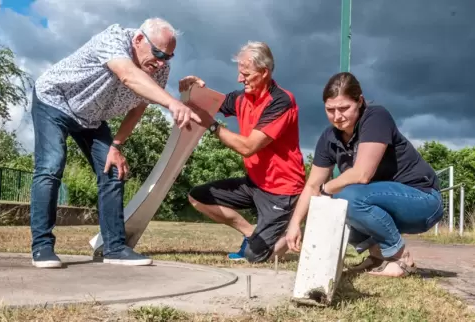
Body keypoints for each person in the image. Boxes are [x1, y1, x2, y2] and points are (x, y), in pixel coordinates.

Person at [30, 18, 201, 268]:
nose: (162, 62)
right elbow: (128, 76)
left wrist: (116, 146)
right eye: (158, 53)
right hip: (54, 102)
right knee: (51, 165)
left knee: (113, 171)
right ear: (139, 40)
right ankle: (42, 247)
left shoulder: (159, 68)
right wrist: (173, 103)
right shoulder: (112, 39)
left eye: (168, 57)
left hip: (92, 118)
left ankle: (115, 248)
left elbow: (139, 108)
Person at [285, 72, 443, 277]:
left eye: (344, 108)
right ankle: (377, 255)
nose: (337, 116)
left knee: (345, 196)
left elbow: (362, 174)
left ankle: (401, 258)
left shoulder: (376, 117)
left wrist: (327, 190)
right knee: (335, 203)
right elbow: (312, 186)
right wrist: (295, 224)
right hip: (383, 204)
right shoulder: (328, 138)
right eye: (330, 110)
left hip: (423, 200)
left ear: (359, 101)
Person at [179, 41, 306, 263]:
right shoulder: (241, 98)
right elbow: (209, 102)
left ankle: (296, 219)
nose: (240, 79)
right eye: (239, 73)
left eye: (245, 74)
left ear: (264, 72)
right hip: (254, 183)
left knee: (258, 258)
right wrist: (192, 88)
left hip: (282, 189)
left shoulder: (281, 101)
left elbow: (248, 147)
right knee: (197, 197)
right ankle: (251, 234)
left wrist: (212, 125)